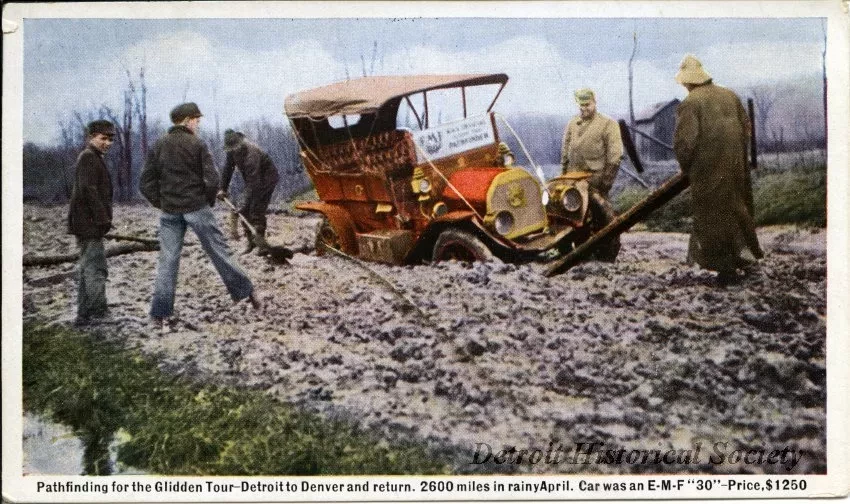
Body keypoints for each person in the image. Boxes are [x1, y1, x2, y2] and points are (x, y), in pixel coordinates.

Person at [140, 102, 260, 326]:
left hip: (170, 212)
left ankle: (158, 315)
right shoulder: (197, 144)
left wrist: (161, 202)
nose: (198, 124)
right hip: (197, 208)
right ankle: (250, 295)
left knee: (167, 261)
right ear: (187, 121)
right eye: (197, 120)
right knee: (220, 252)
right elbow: (213, 179)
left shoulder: (158, 145)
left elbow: (145, 183)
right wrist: (206, 201)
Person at [673, 55, 764, 286]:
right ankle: (743, 265)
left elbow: (685, 144)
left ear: (687, 82)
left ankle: (732, 269)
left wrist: (688, 169)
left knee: (712, 220)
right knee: (738, 213)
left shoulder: (690, 103)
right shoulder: (730, 95)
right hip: (736, 170)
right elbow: (746, 129)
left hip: (707, 174)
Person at [67, 120, 116, 325]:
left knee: (88, 266)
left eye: (110, 139)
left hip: (88, 223)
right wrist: (103, 219)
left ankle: (84, 314)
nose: (107, 143)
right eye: (103, 138)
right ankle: (98, 313)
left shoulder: (93, 157)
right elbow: (89, 191)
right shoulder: (88, 158)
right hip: (89, 224)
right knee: (96, 268)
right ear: (91, 137)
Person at [217, 129, 280, 256]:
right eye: (231, 149)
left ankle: (261, 246)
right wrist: (222, 188)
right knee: (244, 211)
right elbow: (227, 169)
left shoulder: (252, 154)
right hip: (252, 180)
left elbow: (254, 184)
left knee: (256, 210)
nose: (234, 150)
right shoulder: (232, 150)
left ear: (240, 143)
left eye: (235, 148)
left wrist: (244, 203)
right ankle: (251, 243)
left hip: (267, 180)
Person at [560, 88, 623, 199]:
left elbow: (614, 158)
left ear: (594, 102)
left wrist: (604, 186)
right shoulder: (572, 124)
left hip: (594, 184)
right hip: (571, 182)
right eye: (581, 105)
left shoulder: (608, 124)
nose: (584, 108)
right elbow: (565, 153)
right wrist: (563, 177)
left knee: (601, 213)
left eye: (587, 105)